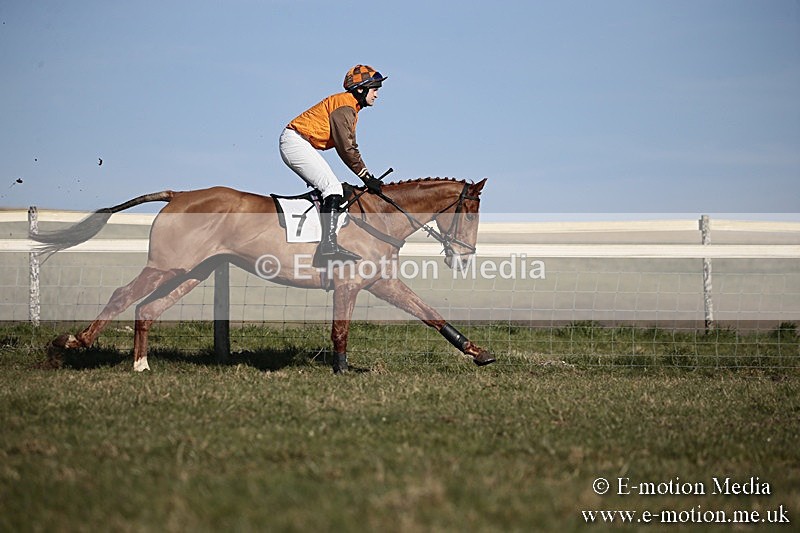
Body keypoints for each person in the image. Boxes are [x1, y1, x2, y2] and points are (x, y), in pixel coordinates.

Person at [279, 64, 387, 265]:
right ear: (361, 89)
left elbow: (348, 147)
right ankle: (328, 245)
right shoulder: (345, 106)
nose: (377, 95)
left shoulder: (349, 105)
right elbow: (347, 148)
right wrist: (366, 177)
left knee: (330, 188)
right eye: (375, 89)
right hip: (296, 142)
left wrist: (365, 176)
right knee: (333, 188)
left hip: (300, 142)